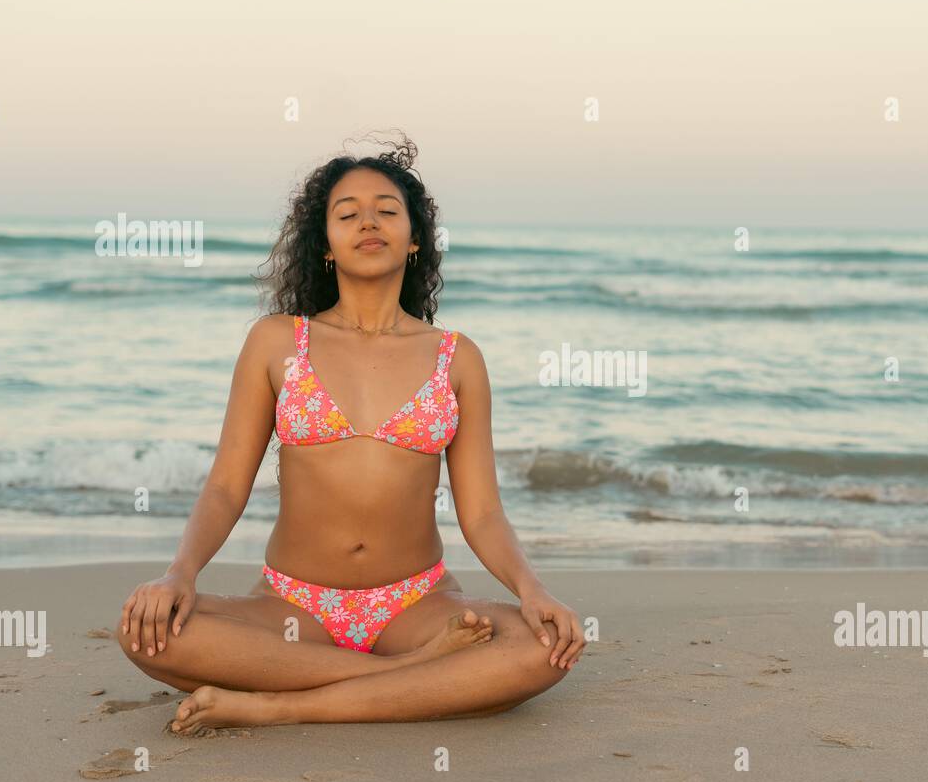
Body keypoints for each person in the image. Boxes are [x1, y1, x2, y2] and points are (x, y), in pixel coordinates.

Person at [118, 135, 582, 733]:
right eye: (347, 214)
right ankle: (415, 675)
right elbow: (227, 487)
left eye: (387, 210)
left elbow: (483, 512)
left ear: (415, 239)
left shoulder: (457, 357)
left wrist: (533, 590)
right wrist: (180, 573)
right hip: (292, 607)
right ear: (326, 245)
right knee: (146, 632)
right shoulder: (276, 342)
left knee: (543, 648)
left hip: (416, 604)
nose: (368, 221)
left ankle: (281, 704)